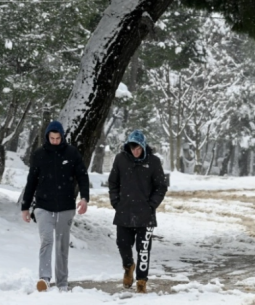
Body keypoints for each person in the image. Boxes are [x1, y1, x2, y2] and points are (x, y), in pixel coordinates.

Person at [21, 120, 90, 292]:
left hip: (66, 206)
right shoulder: (39, 154)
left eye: (58, 138)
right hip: (43, 205)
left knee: (62, 244)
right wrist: (25, 207)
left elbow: (82, 176)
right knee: (46, 240)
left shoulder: (71, 153)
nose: (55, 141)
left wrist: (84, 198)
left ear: (62, 137)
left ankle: (62, 281)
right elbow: (31, 182)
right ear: (47, 137)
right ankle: (44, 279)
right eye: (52, 138)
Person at [107, 130, 168, 294]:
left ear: (143, 147)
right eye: (133, 147)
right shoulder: (121, 159)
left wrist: (152, 204)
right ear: (128, 146)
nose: (136, 151)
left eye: (139, 148)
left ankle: (142, 280)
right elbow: (113, 182)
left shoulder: (153, 162)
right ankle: (128, 266)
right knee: (122, 244)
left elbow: (161, 186)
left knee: (144, 248)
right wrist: (116, 202)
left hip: (145, 214)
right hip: (124, 212)